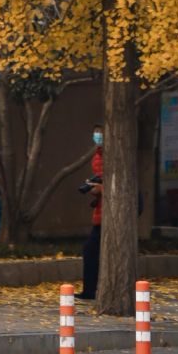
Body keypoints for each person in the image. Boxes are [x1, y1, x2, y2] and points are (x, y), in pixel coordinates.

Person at [77, 124, 103, 302]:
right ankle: (90, 290)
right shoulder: (97, 156)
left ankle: (91, 291)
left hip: (106, 215)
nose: (97, 137)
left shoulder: (110, 156)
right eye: (96, 133)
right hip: (100, 212)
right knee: (91, 250)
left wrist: (101, 189)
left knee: (91, 250)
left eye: (100, 134)